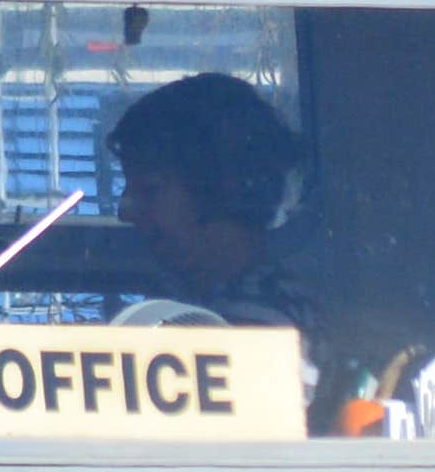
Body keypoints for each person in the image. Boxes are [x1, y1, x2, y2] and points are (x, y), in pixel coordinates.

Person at [97, 70, 309, 322]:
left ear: (218, 191)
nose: (125, 212)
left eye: (149, 189)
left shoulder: (258, 321)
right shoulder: (194, 299)